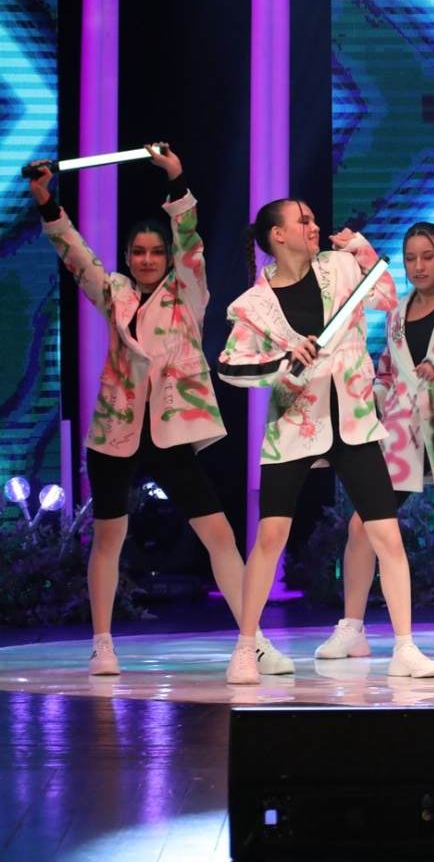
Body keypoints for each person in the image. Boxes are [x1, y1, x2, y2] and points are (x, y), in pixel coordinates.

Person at [29, 147, 290, 676]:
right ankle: (103, 644)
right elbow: (75, 254)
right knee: (109, 536)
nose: (147, 259)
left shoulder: (188, 292)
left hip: (171, 428)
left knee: (219, 534)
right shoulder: (115, 292)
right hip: (116, 427)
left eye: (156, 252)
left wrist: (176, 178)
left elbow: (190, 241)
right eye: (139, 252)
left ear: (167, 258)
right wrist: (46, 202)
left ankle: (254, 639)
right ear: (128, 258)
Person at [218, 200, 434, 684]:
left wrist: (361, 248)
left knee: (386, 534)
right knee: (270, 536)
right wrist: (282, 360)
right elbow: (231, 365)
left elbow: (386, 296)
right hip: (294, 425)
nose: (315, 226)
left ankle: (405, 647)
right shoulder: (253, 304)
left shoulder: (340, 266)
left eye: (313, 219)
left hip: (354, 418)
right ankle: (246, 646)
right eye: (304, 221)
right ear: (277, 235)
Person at [314, 222, 434, 660]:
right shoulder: (397, 312)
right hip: (401, 433)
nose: (419, 266)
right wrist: (374, 398)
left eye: (427, 257)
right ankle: (352, 628)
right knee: (362, 526)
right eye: (410, 258)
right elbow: (387, 369)